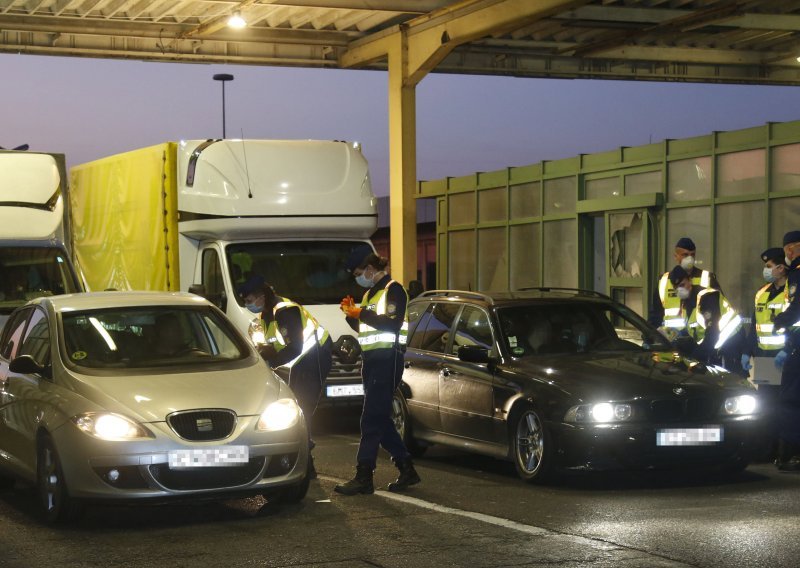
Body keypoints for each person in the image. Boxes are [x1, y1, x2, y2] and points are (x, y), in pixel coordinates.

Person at [334, 251, 420, 495]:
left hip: (388, 358)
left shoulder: (394, 290)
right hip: (371, 360)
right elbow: (367, 328)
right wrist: (352, 315)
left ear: (370, 267)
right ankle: (406, 468)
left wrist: (361, 313)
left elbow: (391, 323)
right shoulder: (369, 293)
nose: (358, 278)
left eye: (360, 273)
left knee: (371, 417)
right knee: (379, 417)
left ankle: (364, 475)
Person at [238, 275, 333, 479]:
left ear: (261, 296)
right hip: (299, 362)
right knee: (297, 407)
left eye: (248, 301)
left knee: (303, 409)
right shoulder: (265, 315)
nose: (247, 306)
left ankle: (307, 464)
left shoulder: (285, 311)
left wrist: (271, 363)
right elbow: (275, 345)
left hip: (314, 356)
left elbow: (296, 347)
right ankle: (306, 462)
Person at [741, 248, 790, 458]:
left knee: (786, 405)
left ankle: (786, 450)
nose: (766, 270)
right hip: (766, 357)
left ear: (781, 267)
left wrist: (789, 350)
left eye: (769, 266)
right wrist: (747, 351)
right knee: (767, 406)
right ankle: (767, 451)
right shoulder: (762, 292)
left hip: (787, 356)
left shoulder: (793, 291)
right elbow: (755, 327)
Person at [662, 265, 742, 368]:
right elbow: (694, 331)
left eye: (682, 285)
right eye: (676, 287)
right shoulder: (686, 303)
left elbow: (713, 332)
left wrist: (696, 357)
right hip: (716, 348)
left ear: (690, 281)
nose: (680, 289)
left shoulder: (707, 297)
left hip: (731, 345)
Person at [772, 230, 800, 471]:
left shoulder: (798, 275)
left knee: (790, 400)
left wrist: (780, 320)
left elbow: (797, 309)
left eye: (792, 247)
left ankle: (790, 453)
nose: (789, 253)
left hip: (798, 349)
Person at [648, 237, 722, 327]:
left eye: (692, 255)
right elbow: (655, 315)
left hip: (697, 337)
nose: (690, 258)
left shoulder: (707, 278)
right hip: (670, 338)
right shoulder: (664, 281)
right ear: (676, 256)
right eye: (685, 255)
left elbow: (719, 309)